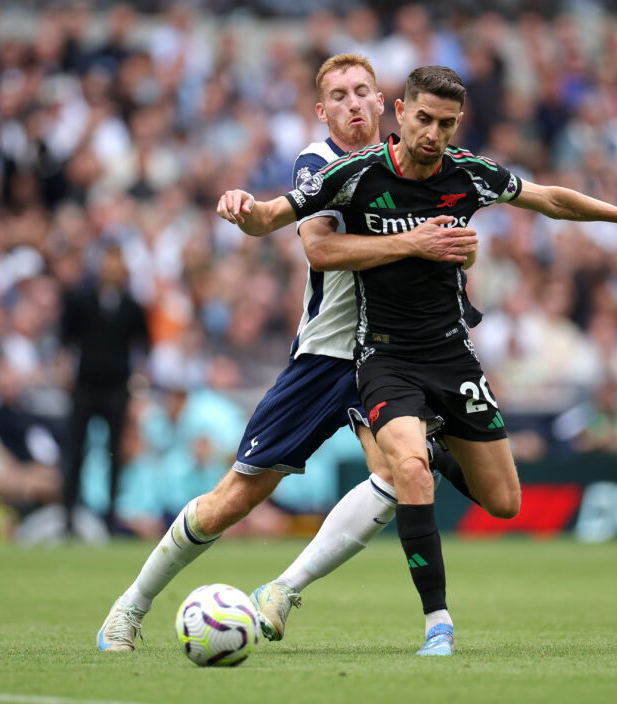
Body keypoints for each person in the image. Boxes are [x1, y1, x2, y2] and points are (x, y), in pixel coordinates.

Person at [217, 65, 617, 655]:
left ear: (456, 122)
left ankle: (434, 450)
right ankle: (438, 622)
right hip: (383, 356)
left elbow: (549, 200)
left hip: (452, 357)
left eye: (445, 122)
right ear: (402, 112)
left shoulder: (469, 174)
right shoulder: (354, 174)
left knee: (504, 502)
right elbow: (275, 217)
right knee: (405, 471)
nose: (433, 133)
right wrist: (242, 206)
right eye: (424, 119)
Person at [96, 54, 482, 655]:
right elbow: (320, 248)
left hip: (393, 354)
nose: (353, 102)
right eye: (338, 94)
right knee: (236, 498)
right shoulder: (319, 162)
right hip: (327, 355)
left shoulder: (420, 163)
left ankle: (284, 587)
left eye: (363, 91)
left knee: (398, 472)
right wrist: (254, 213)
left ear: (385, 104)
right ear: (321, 110)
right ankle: (130, 606)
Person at [61, 244, 150, 534]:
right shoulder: (82, 301)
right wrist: (64, 373)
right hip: (85, 386)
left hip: (115, 388)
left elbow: (144, 345)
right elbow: (66, 340)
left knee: (115, 453)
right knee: (75, 451)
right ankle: (68, 516)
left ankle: (110, 517)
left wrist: (137, 384)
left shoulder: (131, 306)